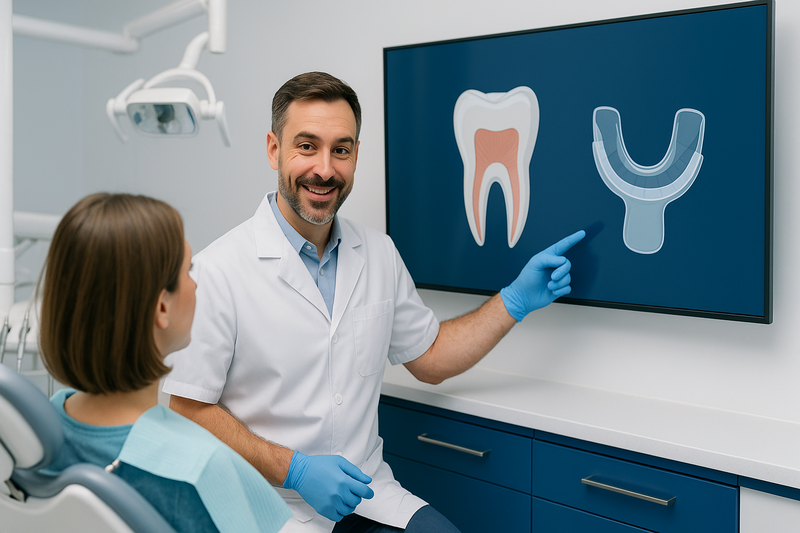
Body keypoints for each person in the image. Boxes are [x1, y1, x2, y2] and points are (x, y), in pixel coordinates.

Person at [164, 72, 585, 533]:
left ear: (356, 155)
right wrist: (294, 470)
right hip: (264, 506)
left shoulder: (378, 253)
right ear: (273, 149)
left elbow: (430, 358)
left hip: (366, 494)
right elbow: (188, 410)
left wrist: (513, 301)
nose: (324, 169)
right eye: (306, 146)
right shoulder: (219, 269)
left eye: (340, 150)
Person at [38, 193, 292, 533]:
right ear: (161, 308)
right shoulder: (201, 471)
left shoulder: (40, 432)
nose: (196, 283)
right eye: (187, 270)